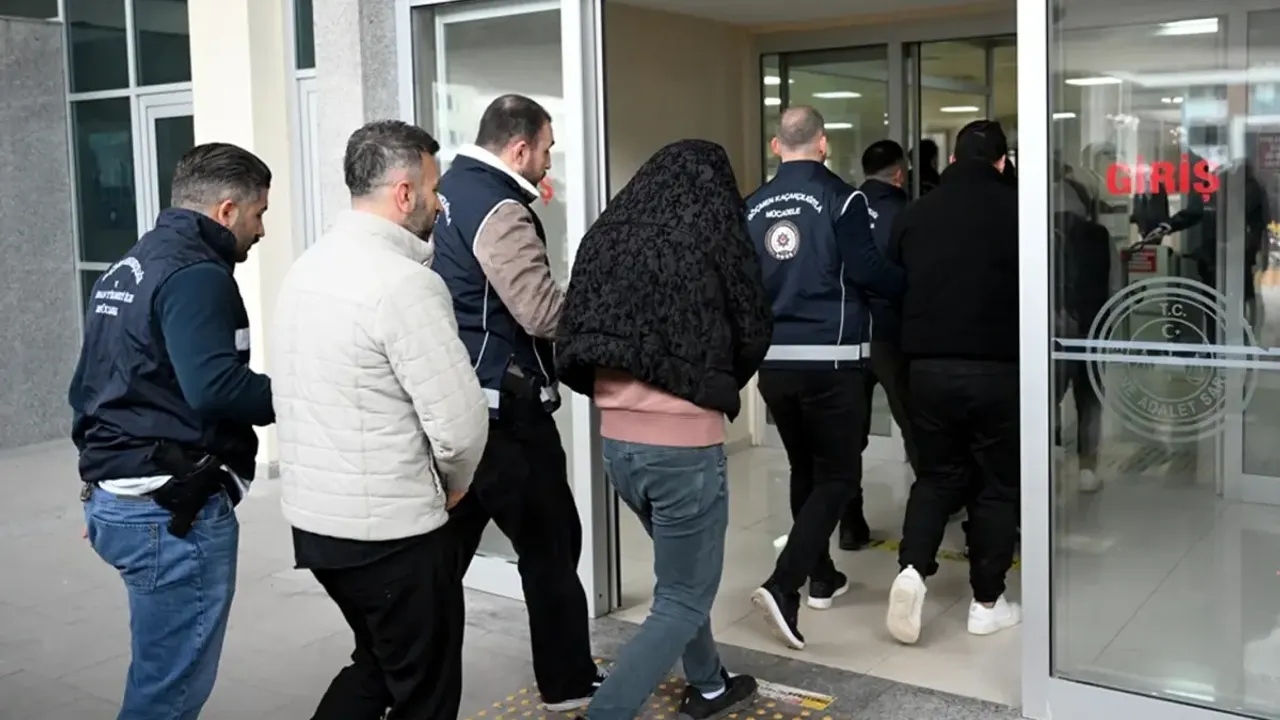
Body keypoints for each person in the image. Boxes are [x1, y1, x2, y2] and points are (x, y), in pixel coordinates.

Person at [273, 120, 489, 719]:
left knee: (376, 667)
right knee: (425, 693)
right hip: (392, 536)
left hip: (318, 527)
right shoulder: (405, 285)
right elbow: (461, 426)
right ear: (404, 193)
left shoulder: (306, 268)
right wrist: (453, 486)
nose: (440, 203)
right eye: (434, 189)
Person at [556, 139, 772, 719]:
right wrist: (713, 384)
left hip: (617, 445)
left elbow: (574, 328)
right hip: (682, 448)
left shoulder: (604, 235)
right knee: (682, 596)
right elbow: (753, 324)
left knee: (682, 578)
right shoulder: (711, 234)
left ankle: (709, 684)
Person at [69, 142, 275, 719]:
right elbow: (216, 388)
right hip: (169, 515)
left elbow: (89, 385)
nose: (262, 230)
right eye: (259, 213)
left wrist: (107, 485)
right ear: (227, 210)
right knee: (169, 694)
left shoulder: (131, 265)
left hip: (127, 499)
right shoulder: (196, 276)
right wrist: (307, 392)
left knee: (157, 673)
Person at [432, 93, 604, 711]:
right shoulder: (499, 207)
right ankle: (568, 683)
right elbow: (539, 311)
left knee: (442, 559)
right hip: (507, 416)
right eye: (547, 149)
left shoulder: (448, 190)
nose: (549, 161)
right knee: (552, 545)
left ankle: (407, 679)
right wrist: (603, 312)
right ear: (520, 147)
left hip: (460, 403)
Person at [746, 106, 905, 650]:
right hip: (831, 362)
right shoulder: (844, 199)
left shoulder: (751, 206)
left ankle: (821, 577)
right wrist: (914, 282)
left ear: (776, 145)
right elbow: (868, 271)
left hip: (774, 365)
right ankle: (784, 583)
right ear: (823, 143)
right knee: (837, 476)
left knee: (804, 469)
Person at [885, 119, 1021, 644]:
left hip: (928, 369)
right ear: (1002, 162)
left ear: (953, 160)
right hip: (999, 370)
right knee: (995, 486)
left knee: (936, 477)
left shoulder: (915, 213)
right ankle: (987, 602)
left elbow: (895, 287)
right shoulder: (1020, 211)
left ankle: (912, 569)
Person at [839, 139, 916, 551]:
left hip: (849, 332)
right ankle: (931, 510)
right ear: (899, 173)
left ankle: (850, 523)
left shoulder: (843, 207)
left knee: (849, 432)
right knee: (912, 421)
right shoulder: (906, 212)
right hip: (890, 332)